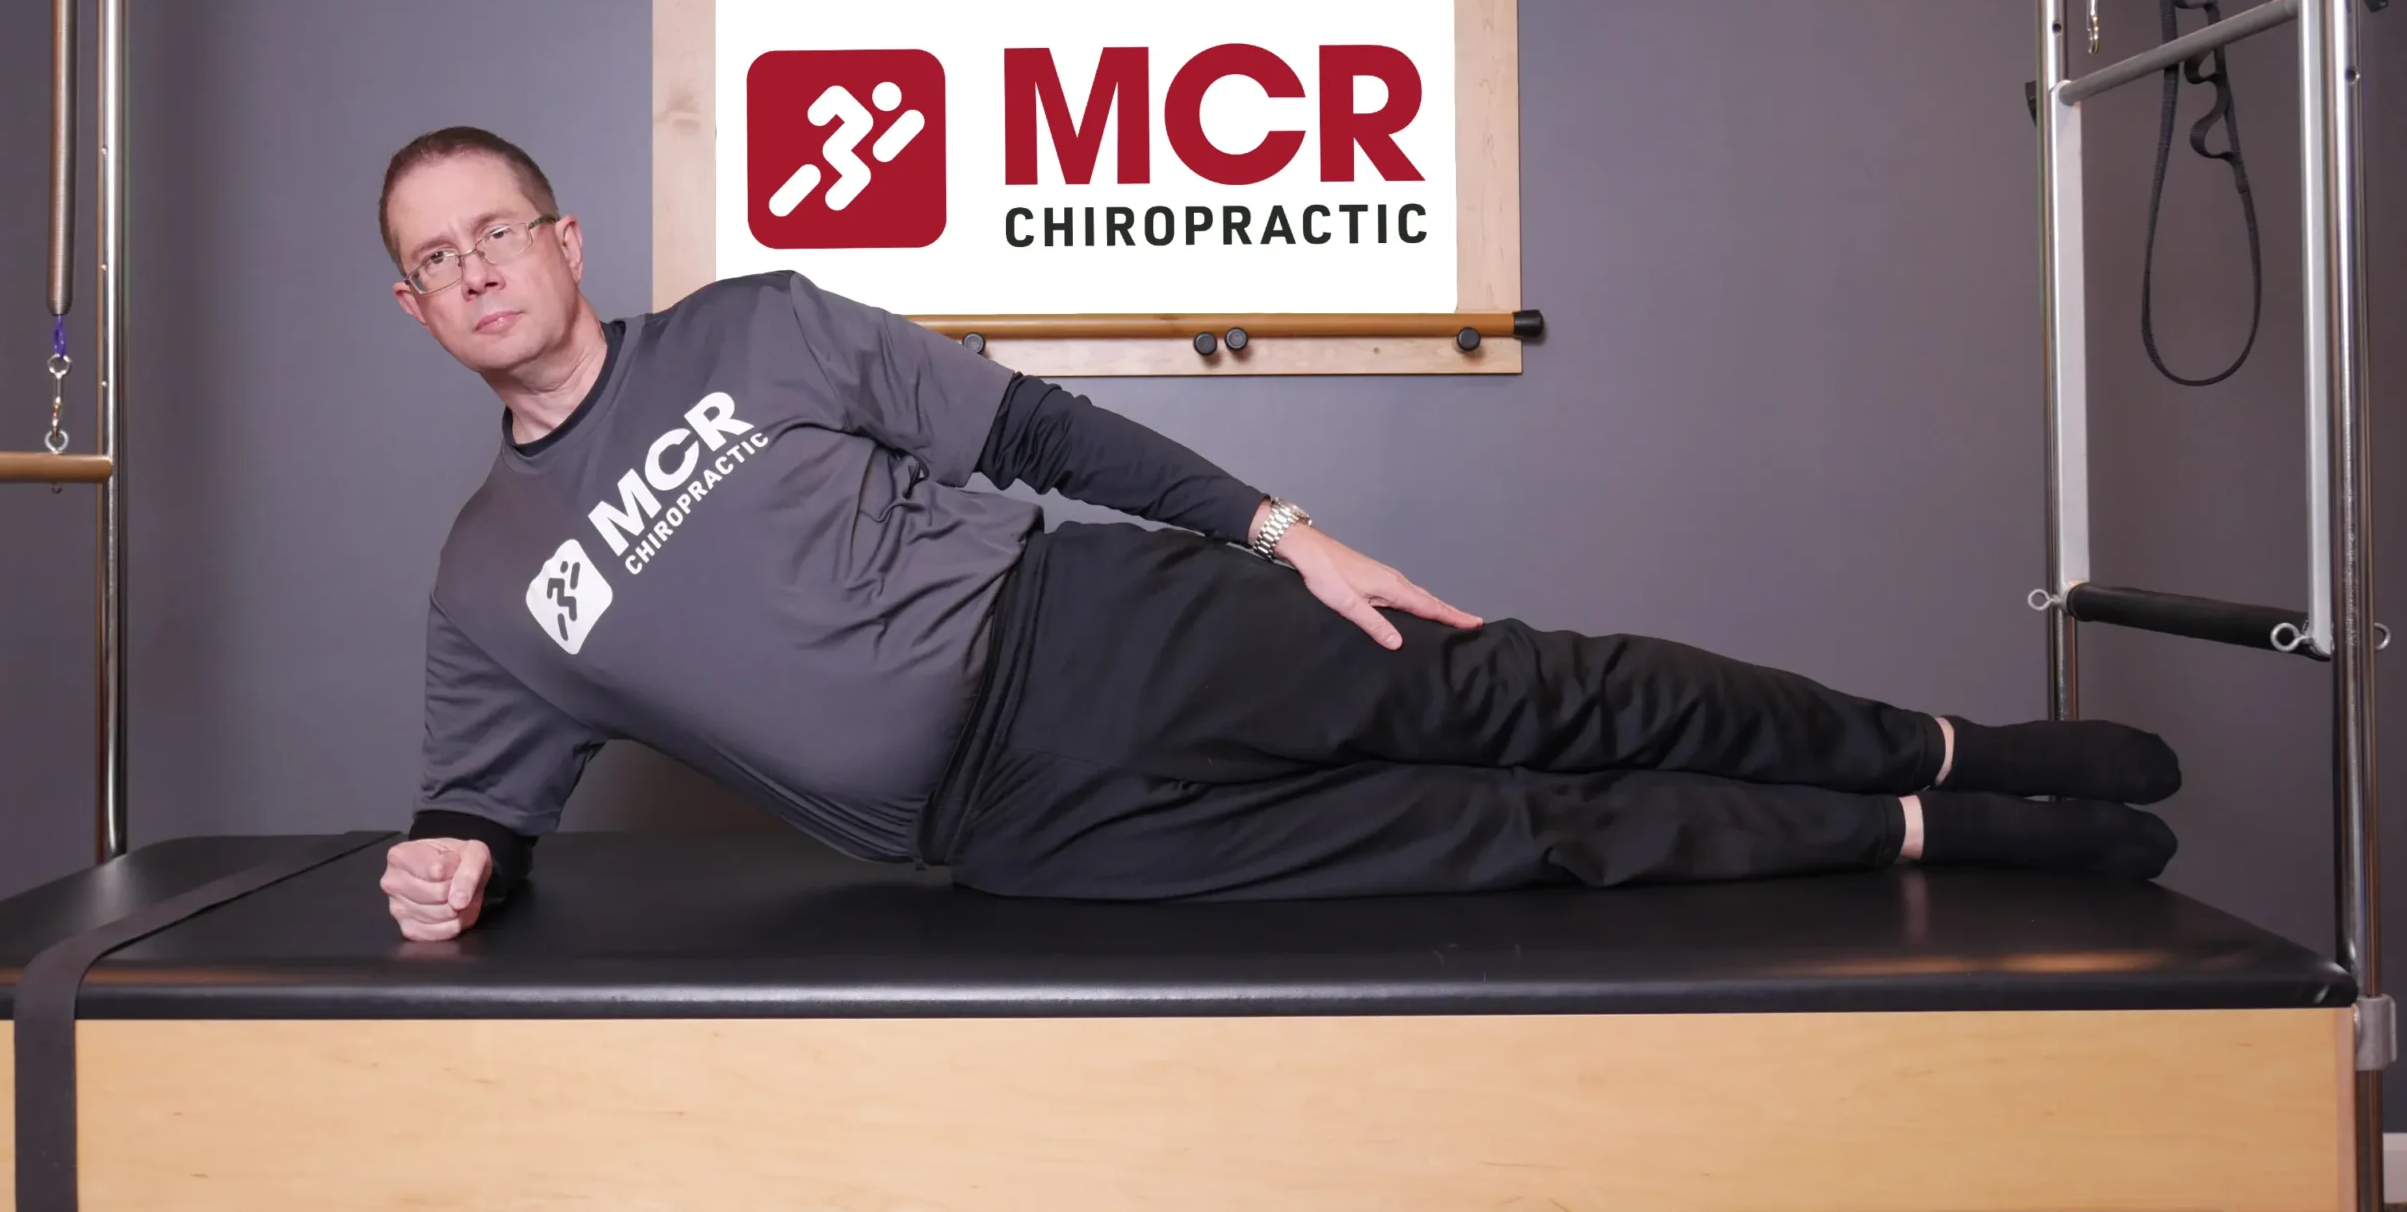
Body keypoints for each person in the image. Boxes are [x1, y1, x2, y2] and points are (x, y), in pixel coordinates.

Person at [374, 126, 2180, 942]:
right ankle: (1922, 831)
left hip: (1092, 624)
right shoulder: (485, 575)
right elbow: (483, 804)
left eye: (496, 231)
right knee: (1502, 841)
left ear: (566, 235)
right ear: (416, 307)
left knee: (1538, 693)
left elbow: (1029, 425)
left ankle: (1956, 743)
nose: (476, 271)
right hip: (1016, 831)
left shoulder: (755, 324)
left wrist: (1280, 527)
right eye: (435, 259)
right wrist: (459, 867)